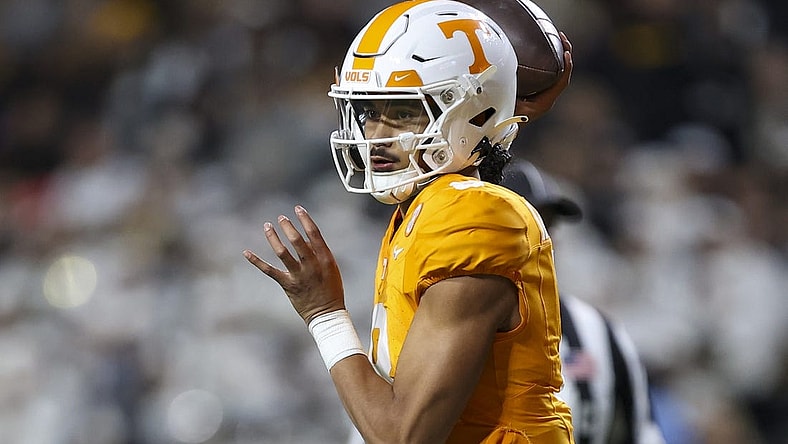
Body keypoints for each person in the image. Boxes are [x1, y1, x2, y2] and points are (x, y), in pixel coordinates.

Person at [243, 1, 575, 442]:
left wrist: (325, 315)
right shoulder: (425, 209)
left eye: (401, 112)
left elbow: (403, 436)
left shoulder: (472, 216)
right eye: (368, 112)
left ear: (468, 112)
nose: (375, 136)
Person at [500, 160, 668, 444]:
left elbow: (643, 434)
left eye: (546, 226)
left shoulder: (598, 332)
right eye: (521, 224)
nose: (541, 242)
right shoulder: (427, 326)